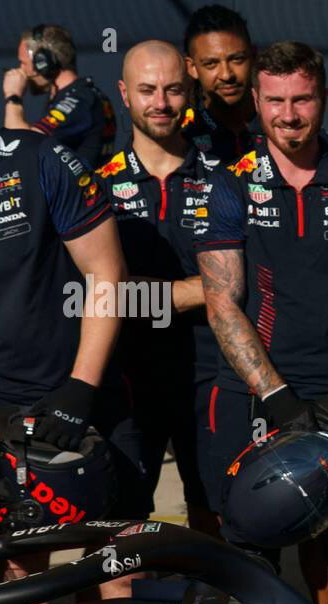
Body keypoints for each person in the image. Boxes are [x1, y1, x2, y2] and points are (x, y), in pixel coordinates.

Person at [0, 53, 145, 578]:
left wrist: (81, 388)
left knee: (118, 566)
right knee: (22, 576)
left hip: (89, 398)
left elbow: (107, 273)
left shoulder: (42, 159)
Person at [193, 41, 328, 604]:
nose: (289, 114)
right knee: (246, 569)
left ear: (324, 98)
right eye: (276, 100)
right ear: (256, 101)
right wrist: (280, 399)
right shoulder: (230, 185)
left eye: (303, 98)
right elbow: (223, 304)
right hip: (255, 401)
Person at [98, 41, 220, 535]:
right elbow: (99, 294)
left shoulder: (226, 179)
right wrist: (201, 289)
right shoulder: (95, 185)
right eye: (147, 90)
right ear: (125, 94)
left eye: (172, 89)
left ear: (189, 90)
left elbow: (247, 284)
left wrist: (142, 292)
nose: (162, 102)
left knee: (215, 518)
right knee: (117, 527)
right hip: (128, 380)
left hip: (211, 375)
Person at [2, 24, 116, 168]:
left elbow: (22, 146)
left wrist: (13, 96)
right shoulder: (83, 95)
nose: (21, 70)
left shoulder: (78, 101)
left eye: (24, 63)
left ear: (43, 63)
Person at [182, 4, 261, 162]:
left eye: (237, 59)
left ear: (253, 55)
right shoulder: (181, 137)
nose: (226, 75)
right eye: (211, 63)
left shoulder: (281, 124)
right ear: (192, 68)